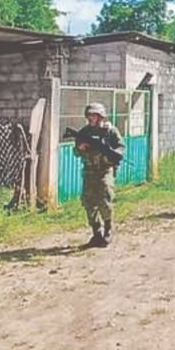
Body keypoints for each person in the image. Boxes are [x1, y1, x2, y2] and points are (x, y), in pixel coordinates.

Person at [74, 102, 125, 248]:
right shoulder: (84, 132)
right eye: (89, 115)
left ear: (100, 116)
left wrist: (112, 153)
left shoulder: (110, 131)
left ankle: (108, 229)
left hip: (105, 171)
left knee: (105, 199)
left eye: (94, 115)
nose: (91, 118)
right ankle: (96, 233)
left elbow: (121, 147)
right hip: (89, 171)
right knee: (88, 202)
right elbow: (76, 151)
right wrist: (81, 148)